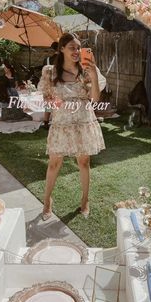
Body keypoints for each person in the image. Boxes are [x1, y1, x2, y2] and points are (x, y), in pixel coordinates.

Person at [38, 32, 106, 220]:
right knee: (54, 163)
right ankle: (47, 201)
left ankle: (85, 200)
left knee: (84, 162)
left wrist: (92, 74)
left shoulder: (86, 70)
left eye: (78, 47)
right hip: (61, 123)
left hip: (84, 121)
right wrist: (55, 102)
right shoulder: (50, 72)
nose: (76, 51)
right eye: (72, 48)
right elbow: (46, 99)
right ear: (61, 49)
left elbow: (94, 99)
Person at [42, 42, 59, 129]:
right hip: (58, 84)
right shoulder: (62, 59)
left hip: (47, 84)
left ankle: (46, 122)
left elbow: (43, 73)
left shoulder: (47, 60)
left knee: (48, 104)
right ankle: (56, 121)